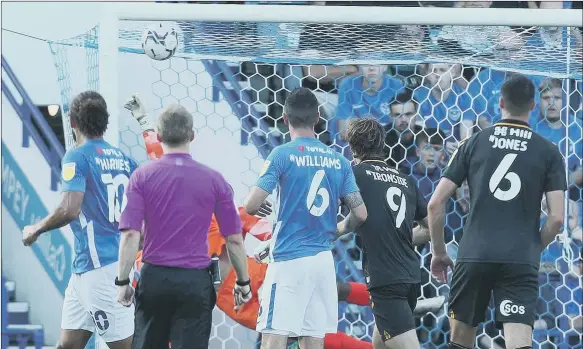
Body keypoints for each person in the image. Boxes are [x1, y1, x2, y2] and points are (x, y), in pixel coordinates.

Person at [427, 74, 567, 349]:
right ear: (533, 105)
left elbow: (435, 204)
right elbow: (557, 218)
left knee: (460, 341)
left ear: (500, 102)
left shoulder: (473, 143)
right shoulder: (549, 151)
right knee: (518, 343)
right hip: (519, 257)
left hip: (475, 253)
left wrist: (439, 252)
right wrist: (532, 246)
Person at [116, 101, 251, 349]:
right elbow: (233, 239)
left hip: (154, 277)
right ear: (192, 135)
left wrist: (122, 281)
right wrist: (243, 282)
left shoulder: (142, 177)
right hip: (195, 282)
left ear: (158, 135)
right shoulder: (214, 180)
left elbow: (131, 234)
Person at [243, 87, 368, 349]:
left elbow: (251, 204)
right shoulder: (339, 161)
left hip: (289, 259)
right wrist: (339, 229)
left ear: (285, 118)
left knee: (273, 337)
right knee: (312, 339)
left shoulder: (282, 154)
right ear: (319, 119)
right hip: (323, 262)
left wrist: (256, 207)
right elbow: (360, 213)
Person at [21, 91, 137, 349]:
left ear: (72, 122)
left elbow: (70, 209)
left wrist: (36, 228)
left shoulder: (77, 156)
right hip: (86, 268)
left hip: (104, 269)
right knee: (68, 345)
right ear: (105, 122)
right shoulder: (125, 160)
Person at [338, 117, 431, 349]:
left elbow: (351, 214)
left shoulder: (354, 175)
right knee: (380, 343)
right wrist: (397, 238)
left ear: (352, 148)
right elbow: (430, 228)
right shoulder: (405, 180)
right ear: (382, 145)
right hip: (410, 274)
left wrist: (335, 230)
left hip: (384, 277)